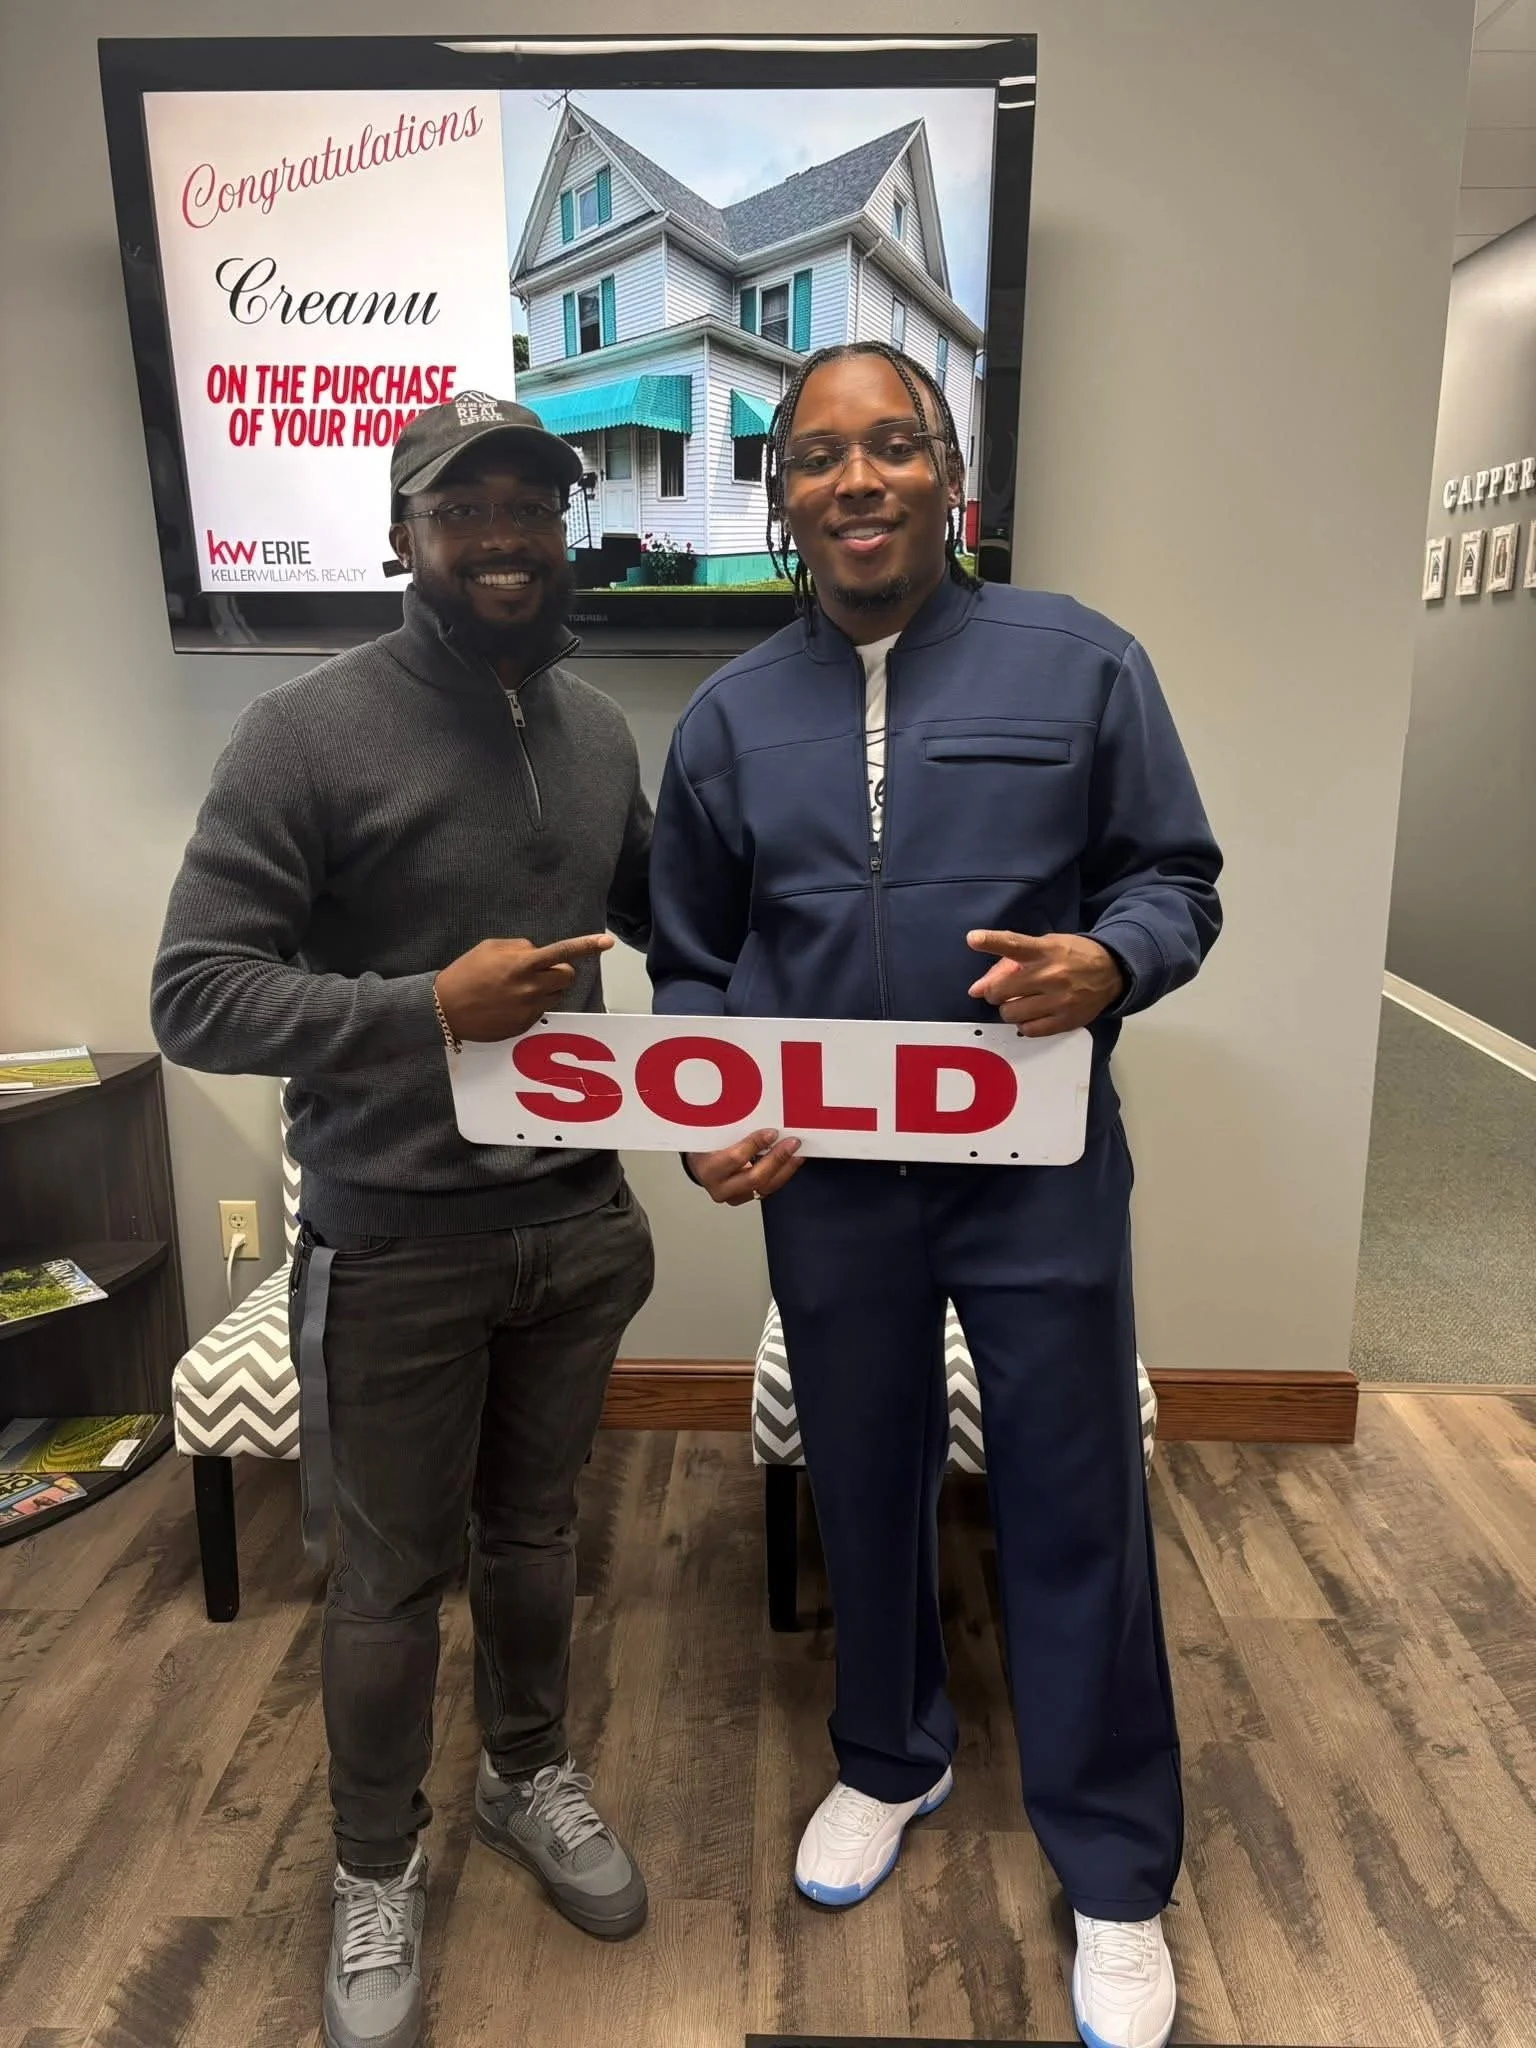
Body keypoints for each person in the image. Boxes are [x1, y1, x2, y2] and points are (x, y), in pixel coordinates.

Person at [647, 343, 1222, 2048]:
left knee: (1073, 1498)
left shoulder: (1083, 661)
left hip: (1031, 1168)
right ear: (784, 496)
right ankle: (891, 1758)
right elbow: (692, 964)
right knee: (866, 1475)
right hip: (829, 1181)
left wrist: (1109, 964)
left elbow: (1174, 881)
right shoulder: (727, 717)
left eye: (891, 444)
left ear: (947, 470)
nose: (857, 480)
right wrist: (708, 1115)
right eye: (818, 456)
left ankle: (1115, 1871)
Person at [152, 393, 655, 2048]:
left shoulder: (597, 732)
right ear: (402, 537)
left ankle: (527, 1776)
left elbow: (677, 930)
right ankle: (378, 1867)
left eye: (532, 505)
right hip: (393, 1241)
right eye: (465, 510)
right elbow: (198, 994)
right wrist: (425, 1010)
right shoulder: (301, 733)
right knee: (382, 1585)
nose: (506, 534)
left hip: (575, 1226)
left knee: (534, 1539)